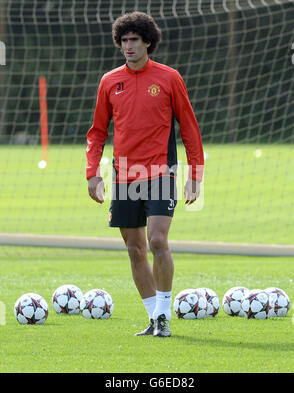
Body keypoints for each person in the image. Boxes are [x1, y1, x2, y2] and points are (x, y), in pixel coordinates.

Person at [86, 11, 204, 337]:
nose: (128, 46)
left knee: (157, 239)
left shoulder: (169, 78)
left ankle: (164, 315)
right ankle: (155, 318)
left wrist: (195, 175)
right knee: (134, 248)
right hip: (123, 176)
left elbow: (190, 129)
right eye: (124, 41)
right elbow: (97, 132)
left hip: (160, 171)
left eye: (134, 40)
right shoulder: (109, 81)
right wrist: (92, 174)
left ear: (148, 42)